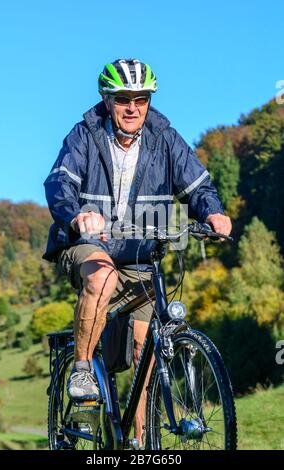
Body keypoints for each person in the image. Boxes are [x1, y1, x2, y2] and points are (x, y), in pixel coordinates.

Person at [43, 58, 232, 447]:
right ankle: (82, 368)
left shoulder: (165, 138)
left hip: (141, 255)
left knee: (148, 344)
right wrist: (77, 215)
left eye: (141, 99)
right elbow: (59, 182)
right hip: (87, 246)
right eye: (123, 99)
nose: (133, 108)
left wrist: (212, 212)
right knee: (102, 276)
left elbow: (197, 185)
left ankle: (143, 441)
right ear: (107, 100)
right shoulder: (85, 135)